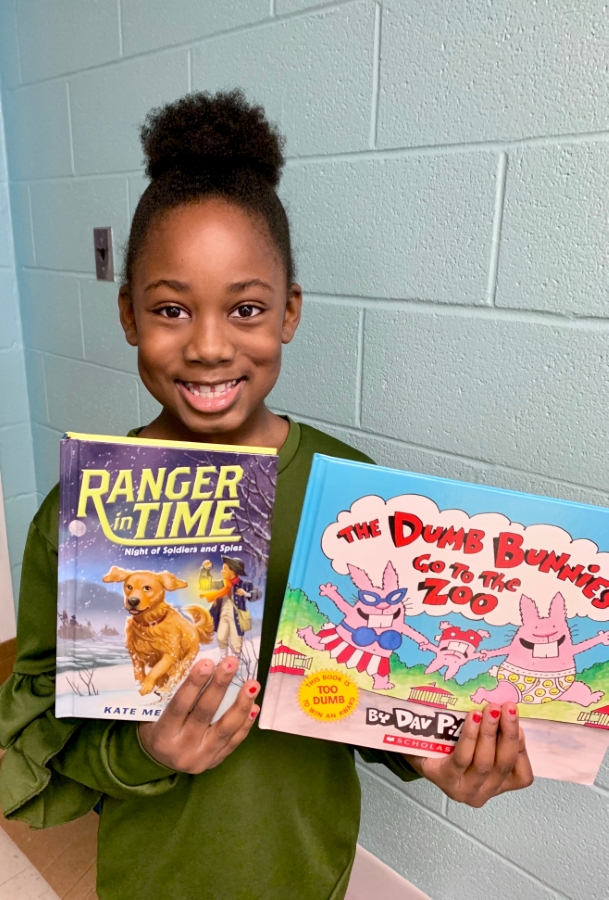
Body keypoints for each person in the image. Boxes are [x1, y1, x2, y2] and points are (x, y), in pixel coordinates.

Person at [0, 90, 533, 900]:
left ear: (287, 313)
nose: (210, 346)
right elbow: (40, 726)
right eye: (171, 309)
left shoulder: (354, 502)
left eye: (244, 308)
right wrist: (144, 754)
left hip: (305, 872)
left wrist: (438, 754)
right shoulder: (84, 513)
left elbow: (372, 694)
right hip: (155, 880)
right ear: (128, 315)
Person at [200, 556, 255, 657]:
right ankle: (223, 659)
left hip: (237, 618)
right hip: (223, 616)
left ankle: (235, 663)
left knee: (236, 644)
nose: (222, 571)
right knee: (221, 638)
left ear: (233, 571)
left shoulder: (245, 584)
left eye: (225, 569)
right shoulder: (222, 584)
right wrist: (205, 570)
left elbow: (256, 594)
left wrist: (246, 594)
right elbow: (205, 585)